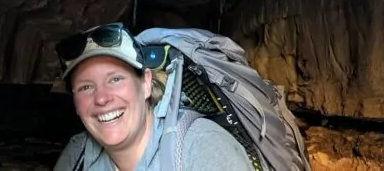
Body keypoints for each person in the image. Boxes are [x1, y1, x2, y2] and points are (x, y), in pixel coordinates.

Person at [52, 22, 254, 171]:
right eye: (86, 87)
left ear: (146, 84)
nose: (102, 98)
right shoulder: (77, 156)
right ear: (75, 104)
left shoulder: (203, 149)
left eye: (115, 79)